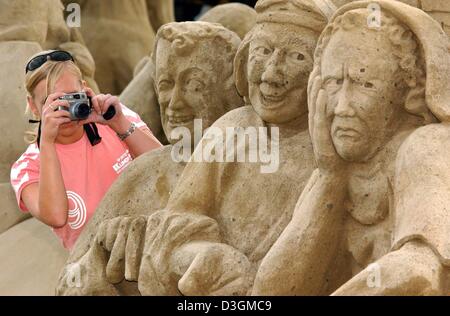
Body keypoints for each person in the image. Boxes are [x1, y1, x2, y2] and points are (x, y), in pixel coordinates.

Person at [252, 0, 450, 295]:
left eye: (364, 84)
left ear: (410, 90)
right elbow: (270, 292)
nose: (342, 107)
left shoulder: (426, 146)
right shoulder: (336, 167)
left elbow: (419, 272)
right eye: (333, 83)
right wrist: (329, 178)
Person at [10, 50, 162, 250]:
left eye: (71, 97)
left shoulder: (117, 117)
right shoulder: (27, 167)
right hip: (98, 263)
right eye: (54, 103)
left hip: (154, 236)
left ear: (85, 89)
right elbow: (56, 216)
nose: (65, 110)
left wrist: (119, 124)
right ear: (34, 107)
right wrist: (47, 142)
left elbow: (165, 167)